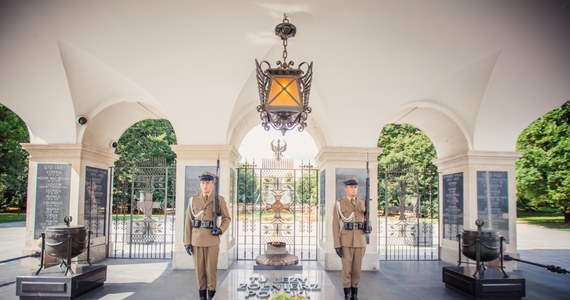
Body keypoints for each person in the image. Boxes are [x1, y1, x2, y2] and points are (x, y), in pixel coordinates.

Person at [184, 172, 231, 300]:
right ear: (200, 184)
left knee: (211, 270)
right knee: (199, 271)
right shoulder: (193, 199)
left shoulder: (219, 199)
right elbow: (188, 221)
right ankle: (202, 296)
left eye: (208, 183)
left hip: (212, 239)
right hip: (196, 240)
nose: (205, 186)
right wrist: (187, 242)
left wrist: (220, 230)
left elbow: (227, 218)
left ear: (213, 184)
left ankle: (211, 295)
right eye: (203, 183)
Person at [332, 178, 369, 300]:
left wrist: (369, 228)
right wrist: (337, 244)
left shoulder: (363, 203)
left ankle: (355, 295)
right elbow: (335, 224)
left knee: (357, 270)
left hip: (360, 240)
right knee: (347, 270)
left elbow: (367, 220)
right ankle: (347, 295)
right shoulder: (340, 203)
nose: (354, 189)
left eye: (355, 187)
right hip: (346, 241)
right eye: (351, 187)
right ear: (346, 189)